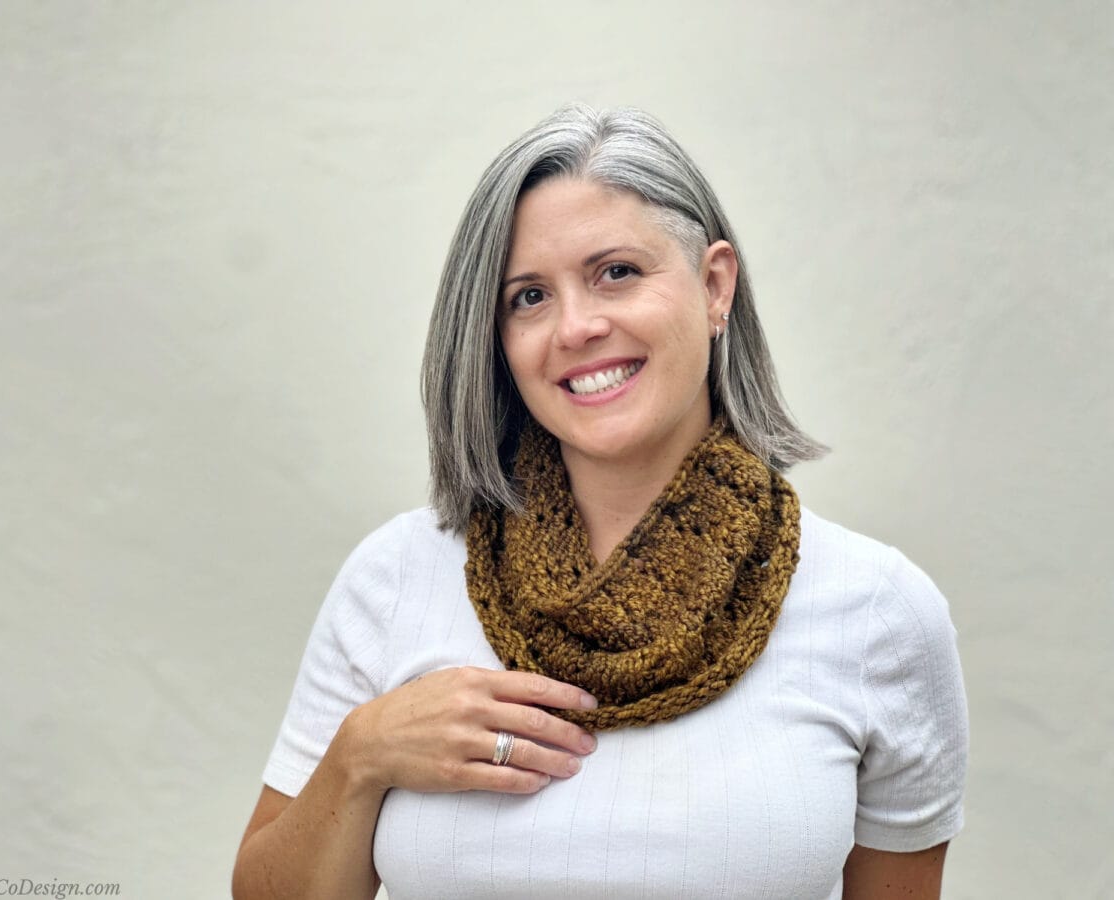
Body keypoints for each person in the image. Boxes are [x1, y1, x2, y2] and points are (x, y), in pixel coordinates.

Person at [231, 105, 968, 900]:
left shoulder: (878, 612)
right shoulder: (396, 577)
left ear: (715, 287)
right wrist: (362, 756)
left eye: (617, 271)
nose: (577, 327)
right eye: (528, 297)